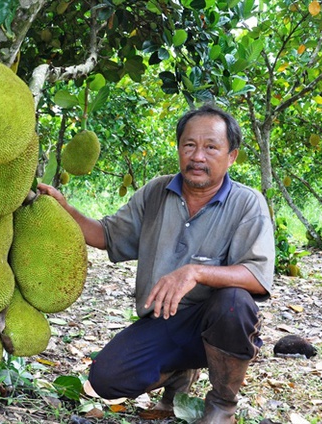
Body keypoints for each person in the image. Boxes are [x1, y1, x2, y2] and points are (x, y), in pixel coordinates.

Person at [37, 104, 275, 423]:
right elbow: (107, 235)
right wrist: (64, 209)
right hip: (162, 320)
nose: (197, 156)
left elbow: (257, 277)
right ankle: (179, 374)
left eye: (211, 147)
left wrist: (195, 272)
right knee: (106, 378)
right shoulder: (156, 193)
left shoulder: (247, 203)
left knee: (235, 303)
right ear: (178, 148)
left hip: (215, 322)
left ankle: (222, 404)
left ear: (231, 156)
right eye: (189, 145)